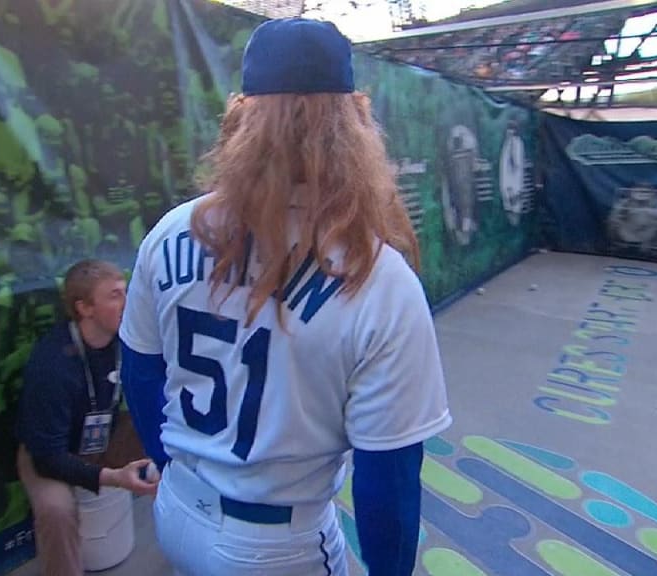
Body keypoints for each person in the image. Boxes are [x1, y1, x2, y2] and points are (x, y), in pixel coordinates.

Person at [118, 18, 452, 576]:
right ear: (353, 128)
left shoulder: (172, 231)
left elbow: (140, 371)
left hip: (176, 512)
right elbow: (387, 479)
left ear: (242, 118)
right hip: (276, 548)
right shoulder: (378, 277)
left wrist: (180, 473)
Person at [15, 259, 158, 576]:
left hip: (103, 432)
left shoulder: (125, 339)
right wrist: (113, 477)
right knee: (56, 510)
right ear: (85, 308)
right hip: (54, 452)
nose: (128, 301)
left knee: (170, 433)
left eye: (126, 291)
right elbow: (47, 458)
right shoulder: (53, 364)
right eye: (115, 295)